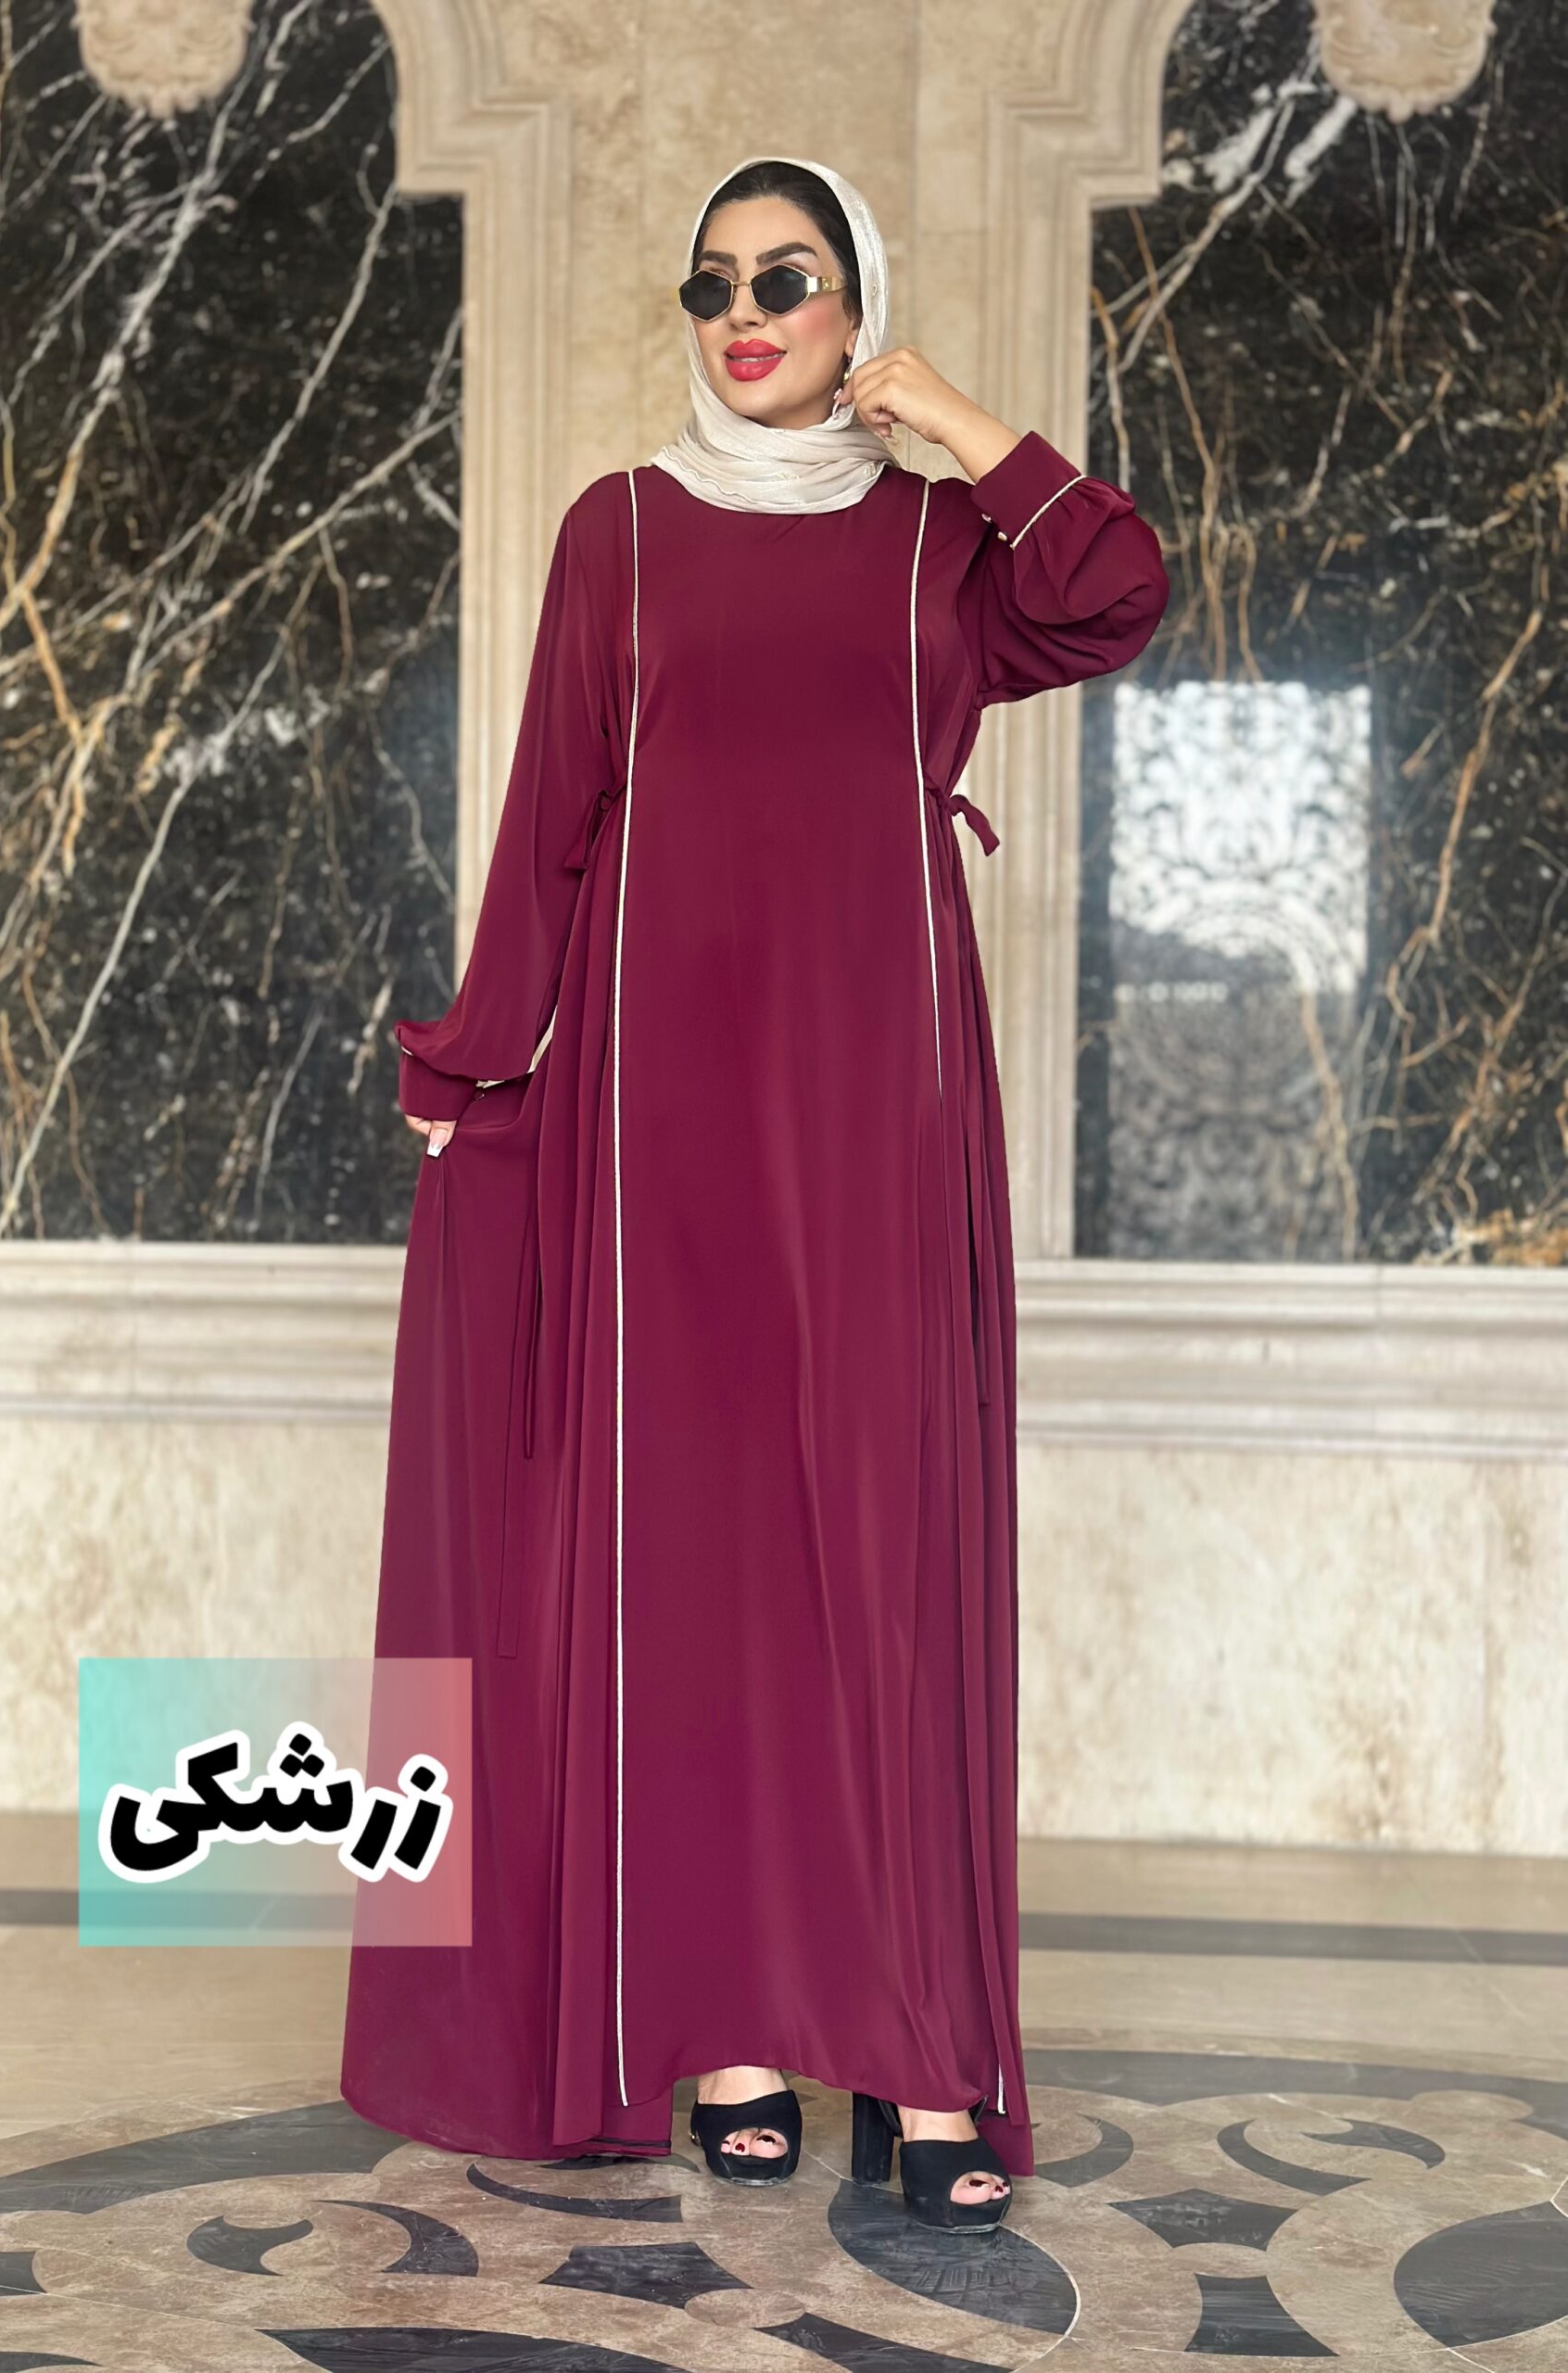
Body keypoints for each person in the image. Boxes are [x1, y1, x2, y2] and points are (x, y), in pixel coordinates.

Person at [341, 154, 1168, 2234]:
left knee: (880, 1563)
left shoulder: (937, 550)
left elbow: (1115, 588)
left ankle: (917, 2047)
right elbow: (552, 815)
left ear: (853, 302)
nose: (742, 315)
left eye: (786, 281)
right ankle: (720, 2030)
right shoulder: (616, 529)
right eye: (711, 283)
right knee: (698, 1568)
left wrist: (954, 419)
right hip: (662, 1123)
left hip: (880, 1110)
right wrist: (477, 1062)